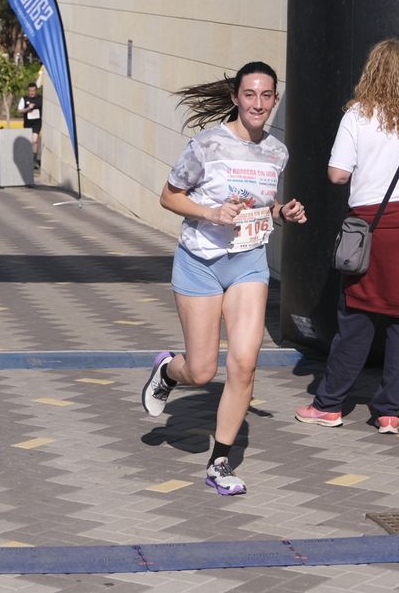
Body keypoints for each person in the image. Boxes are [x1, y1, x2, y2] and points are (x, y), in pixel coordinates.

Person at [141, 61, 307, 496]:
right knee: (201, 370)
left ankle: (220, 461)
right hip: (200, 262)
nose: (257, 103)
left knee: (244, 362)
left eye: (266, 95)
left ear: (274, 99)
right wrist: (211, 213)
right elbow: (169, 196)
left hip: (248, 262)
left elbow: (261, 205)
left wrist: (281, 212)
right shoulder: (207, 144)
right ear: (235, 97)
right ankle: (168, 372)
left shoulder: (276, 152)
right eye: (249, 94)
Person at [294, 39, 399, 436]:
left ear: (372, 73)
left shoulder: (357, 116)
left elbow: (338, 174)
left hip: (376, 228)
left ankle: (330, 405)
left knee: (357, 318)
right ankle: (388, 412)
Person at [18, 82, 42, 163]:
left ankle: (34, 160)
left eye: (33, 90)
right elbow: (20, 111)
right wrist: (28, 108)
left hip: (37, 123)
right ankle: (28, 158)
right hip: (27, 123)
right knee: (28, 141)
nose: (32, 92)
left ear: (36, 90)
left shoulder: (40, 99)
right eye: (30, 91)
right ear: (28, 91)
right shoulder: (24, 99)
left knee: (35, 140)